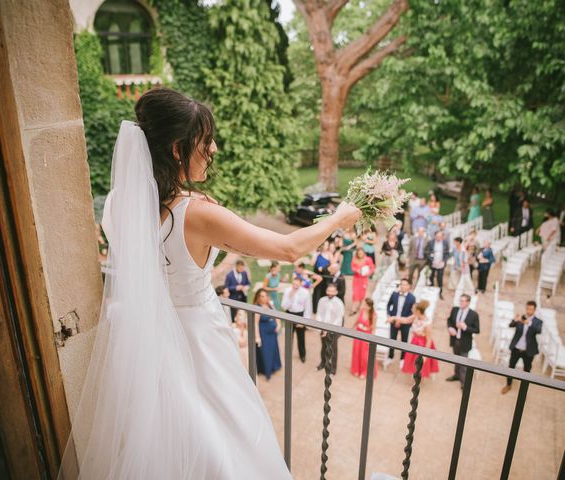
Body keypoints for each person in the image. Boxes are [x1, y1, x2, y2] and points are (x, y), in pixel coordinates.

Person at [60, 88, 362, 479]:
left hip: (147, 343)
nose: (214, 149)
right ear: (176, 150)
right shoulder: (198, 214)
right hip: (198, 342)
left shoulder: (122, 202)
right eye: (205, 143)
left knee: (168, 441)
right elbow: (287, 250)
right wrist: (338, 218)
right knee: (225, 445)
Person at [501, 301, 543, 394]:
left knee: (527, 370)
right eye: (527, 308)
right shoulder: (521, 317)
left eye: (531, 309)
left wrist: (529, 323)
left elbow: (538, 330)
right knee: (511, 366)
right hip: (516, 348)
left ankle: (524, 388)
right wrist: (515, 320)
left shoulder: (537, 322)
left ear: (534, 310)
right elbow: (510, 325)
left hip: (528, 351)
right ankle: (508, 384)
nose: (529, 311)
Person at [446, 294, 480, 389]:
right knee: (456, 359)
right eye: (460, 300)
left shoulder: (473, 315)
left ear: (468, 302)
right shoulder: (455, 310)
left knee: (463, 363)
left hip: (465, 342)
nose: (461, 302)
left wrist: (465, 327)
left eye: (463, 301)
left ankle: (464, 382)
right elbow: (449, 320)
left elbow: (477, 330)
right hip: (455, 340)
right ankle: (456, 375)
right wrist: (450, 328)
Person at [401, 300, 439, 378]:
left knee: (421, 365)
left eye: (413, 309)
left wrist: (425, 355)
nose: (411, 310)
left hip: (423, 345)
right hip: (415, 342)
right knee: (412, 361)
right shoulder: (415, 316)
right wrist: (393, 318)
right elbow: (406, 320)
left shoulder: (427, 324)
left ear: (418, 311)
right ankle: (414, 375)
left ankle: (418, 381)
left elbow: (429, 340)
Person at [384, 278, 416, 369]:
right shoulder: (394, 294)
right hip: (393, 321)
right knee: (391, 340)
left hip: (405, 323)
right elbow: (388, 305)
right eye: (401, 284)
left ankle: (403, 358)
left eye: (404, 284)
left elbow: (412, 312)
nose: (402, 286)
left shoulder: (412, 298)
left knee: (404, 341)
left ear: (409, 286)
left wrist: (401, 320)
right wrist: (389, 316)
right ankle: (391, 356)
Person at [315, 284, 346, 374]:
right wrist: (322, 328)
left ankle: (333, 369)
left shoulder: (339, 303)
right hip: (322, 328)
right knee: (323, 347)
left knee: (333, 350)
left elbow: (339, 319)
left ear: (336, 292)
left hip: (333, 330)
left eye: (332, 291)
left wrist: (328, 330)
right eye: (329, 290)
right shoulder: (322, 300)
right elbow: (319, 314)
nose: (330, 293)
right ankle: (323, 363)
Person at [281, 276, 313, 363]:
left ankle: (302, 355)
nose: (295, 286)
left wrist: (304, 322)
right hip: (289, 314)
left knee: (301, 338)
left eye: (297, 284)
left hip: (300, 315)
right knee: (288, 337)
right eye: (293, 284)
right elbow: (284, 306)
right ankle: (288, 354)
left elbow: (308, 308)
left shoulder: (305, 293)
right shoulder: (287, 291)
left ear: (301, 284)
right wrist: (290, 297)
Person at [253, 289, 282, 381]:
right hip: (263, 333)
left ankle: (274, 366)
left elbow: (276, 314)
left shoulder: (270, 304)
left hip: (272, 333)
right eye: (262, 296)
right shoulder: (258, 308)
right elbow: (256, 324)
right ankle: (266, 371)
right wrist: (257, 337)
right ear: (258, 297)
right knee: (266, 352)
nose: (264, 298)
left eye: (265, 295)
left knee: (273, 349)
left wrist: (279, 324)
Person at [351, 298, 378, 379]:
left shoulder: (373, 315)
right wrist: (352, 328)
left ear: (369, 307)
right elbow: (357, 320)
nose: (363, 306)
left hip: (366, 336)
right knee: (356, 352)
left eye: (365, 305)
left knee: (365, 356)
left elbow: (373, 328)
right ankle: (356, 370)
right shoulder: (362, 310)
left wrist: (371, 340)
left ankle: (364, 371)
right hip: (358, 334)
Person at [425, 230, 450, 297]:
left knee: (440, 278)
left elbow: (447, 253)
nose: (439, 237)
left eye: (440, 236)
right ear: (435, 236)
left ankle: (440, 292)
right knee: (431, 277)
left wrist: (444, 261)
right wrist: (432, 260)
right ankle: (431, 290)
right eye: (437, 236)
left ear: (442, 237)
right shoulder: (430, 242)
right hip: (432, 263)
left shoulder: (445, 243)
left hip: (441, 264)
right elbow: (427, 252)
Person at [351, 247, 375, 315]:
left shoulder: (368, 259)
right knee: (355, 293)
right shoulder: (354, 259)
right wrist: (356, 270)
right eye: (359, 253)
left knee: (362, 294)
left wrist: (368, 273)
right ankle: (354, 308)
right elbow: (352, 267)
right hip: (356, 278)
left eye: (361, 253)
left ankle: (360, 305)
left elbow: (372, 267)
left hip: (364, 279)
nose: (360, 254)